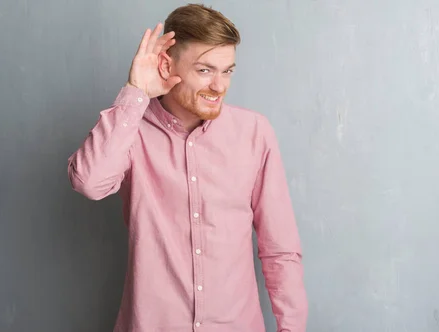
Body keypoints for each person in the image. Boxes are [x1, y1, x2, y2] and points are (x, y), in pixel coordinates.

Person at [67, 4, 307, 331]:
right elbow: (88, 182)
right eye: (205, 70)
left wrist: (291, 327)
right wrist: (135, 92)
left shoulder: (255, 132)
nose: (220, 86)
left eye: (227, 71)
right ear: (167, 65)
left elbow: (280, 249)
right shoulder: (131, 130)